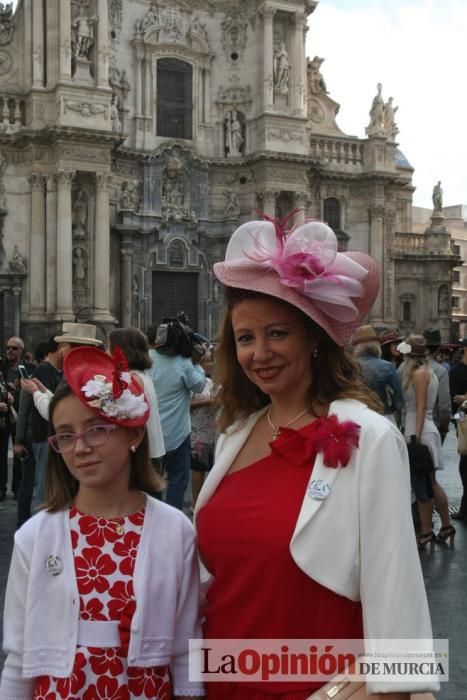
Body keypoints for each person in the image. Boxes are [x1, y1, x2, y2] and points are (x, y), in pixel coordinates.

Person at [195, 215, 439, 698]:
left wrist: (387, 687)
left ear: (313, 338)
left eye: (277, 333)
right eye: (245, 338)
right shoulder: (235, 437)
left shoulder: (367, 436)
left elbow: (396, 581)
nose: (259, 352)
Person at [0, 346, 204, 700]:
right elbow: (19, 656)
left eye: (96, 430)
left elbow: (186, 647)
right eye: (65, 435)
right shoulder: (35, 536)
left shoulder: (175, 531)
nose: (80, 448)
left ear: (133, 435)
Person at [398, 335, 455, 547]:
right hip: (422, 430)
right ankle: (445, 526)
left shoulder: (420, 374)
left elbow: (421, 406)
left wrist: (416, 437)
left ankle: (426, 531)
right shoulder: (426, 371)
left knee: (422, 485)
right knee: (430, 483)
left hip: (419, 431)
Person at [149, 320, 206, 511]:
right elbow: (199, 385)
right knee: (178, 481)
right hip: (178, 433)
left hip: (150, 432)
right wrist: (197, 364)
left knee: (151, 480)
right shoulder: (183, 364)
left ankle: (151, 514)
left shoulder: (146, 358)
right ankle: (172, 515)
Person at [13, 337, 63, 525]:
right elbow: (26, 410)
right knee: (35, 485)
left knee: (41, 485)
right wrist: (19, 440)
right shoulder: (42, 370)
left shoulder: (55, 372)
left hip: (46, 438)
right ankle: (28, 525)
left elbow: (54, 404)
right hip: (39, 437)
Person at [20, 322, 103, 421]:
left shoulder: (81, 375)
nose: (61, 350)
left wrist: (35, 392)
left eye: (64, 345)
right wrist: (43, 391)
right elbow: (62, 405)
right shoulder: (79, 371)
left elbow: (58, 414)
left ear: (75, 349)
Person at [107, 327, 165, 467]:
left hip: (142, 457)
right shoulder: (141, 375)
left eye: (109, 348)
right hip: (153, 452)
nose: (105, 352)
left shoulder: (131, 380)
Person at [0, 337, 35, 500]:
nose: (10, 351)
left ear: (21, 350)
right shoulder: (1, 367)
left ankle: (17, 488)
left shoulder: (28, 368)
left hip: (21, 416)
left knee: (19, 451)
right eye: (8, 348)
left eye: (14, 348)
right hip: (3, 415)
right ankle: (1, 488)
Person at [352, 324, 404, 425]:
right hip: (382, 415)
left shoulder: (350, 366)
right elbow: (399, 401)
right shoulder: (387, 366)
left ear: (357, 347)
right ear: (376, 345)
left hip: (357, 417)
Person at [190, 346, 216, 509]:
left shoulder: (211, 382)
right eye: (206, 361)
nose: (210, 364)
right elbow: (186, 404)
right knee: (198, 468)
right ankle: (195, 502)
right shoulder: (195, 382)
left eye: (210, 361)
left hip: (210, 430)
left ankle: (204, 500)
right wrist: (207, 403)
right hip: (196, 431)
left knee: (209, 468)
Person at [449, 337, 467, 520]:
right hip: (465, 426)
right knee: (465, 466)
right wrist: (459, 423)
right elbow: (454, 405)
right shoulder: (456, 372)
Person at [422, 327, 451, 443]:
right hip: (432, 427)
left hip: (407, 426)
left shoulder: (403, 368)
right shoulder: (440, 371)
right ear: (438, 349)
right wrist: (444, 427)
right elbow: (444, 406)